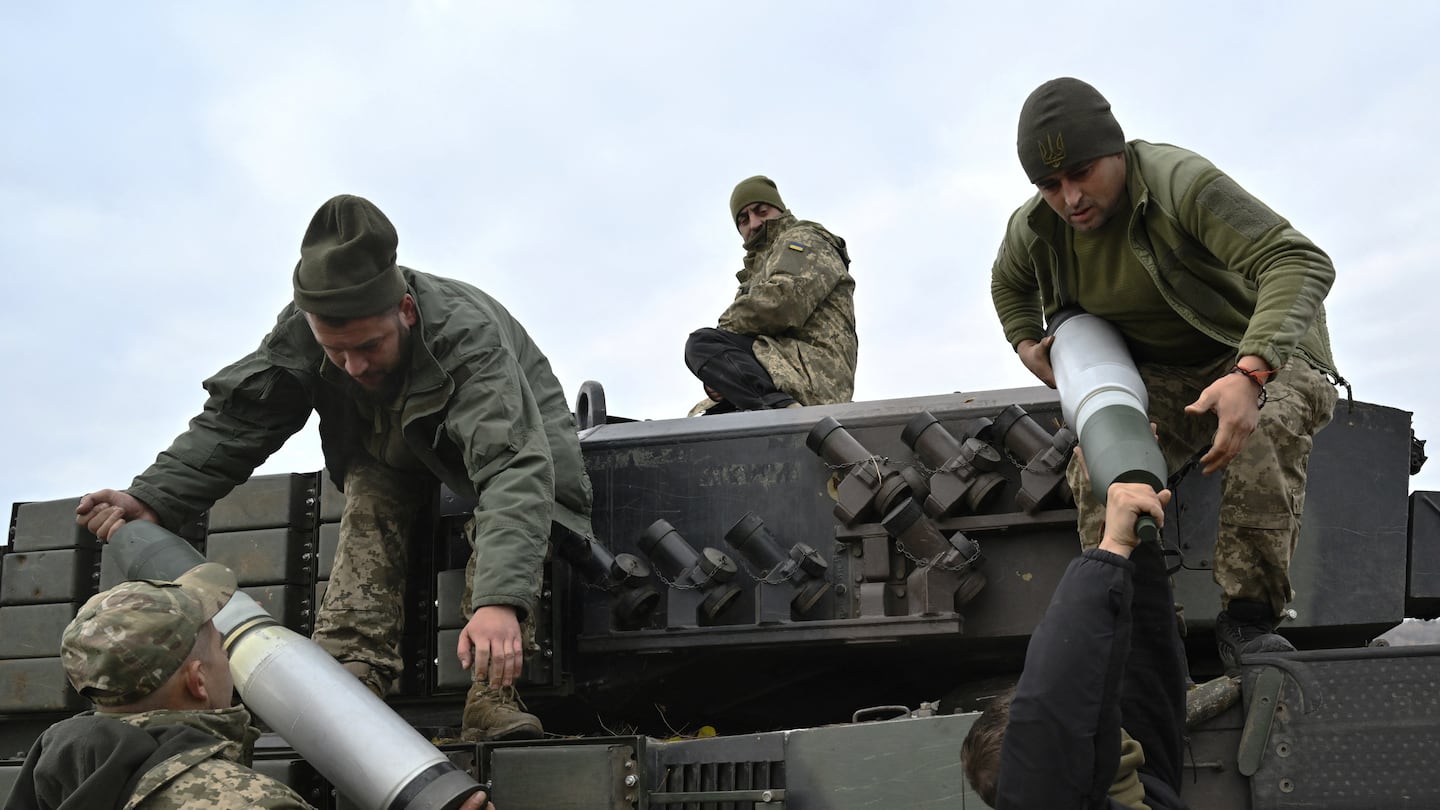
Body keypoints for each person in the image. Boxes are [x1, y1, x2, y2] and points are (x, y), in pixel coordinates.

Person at [75, 194, 596, 742]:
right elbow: (240, 420)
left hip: (521, 442)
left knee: (514, 515)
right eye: (336, 352)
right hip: (392, 447)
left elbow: (512, 468)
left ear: (406, 312)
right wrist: (153, 498)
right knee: (370, 493)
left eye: (369, 346)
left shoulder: (466, 337)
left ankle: (493, 697)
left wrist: (498, 602)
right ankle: (352, 679)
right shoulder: (302, 332)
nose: (354, 366)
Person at [990, 77, 1343, 672]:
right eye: (1050, 185)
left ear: (1116, 150)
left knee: (1267, 427)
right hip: (1166, 371)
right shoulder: (1036, 227)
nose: (1070, 197)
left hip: (1263, 350)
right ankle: (1141, 629)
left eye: (1082, 173)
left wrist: (1251, 372)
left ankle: (1250, 621)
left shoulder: (1178, 182)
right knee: (1096, 463)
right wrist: (1026, 341)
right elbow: (1007, 283)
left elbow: (1299, 259)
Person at [961, 483, 1186, 809]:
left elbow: (1146, 675)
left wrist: (1134, 539)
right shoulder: (1047, 793)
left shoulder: (1149, 793)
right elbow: (1049, 713)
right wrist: (1112, 549)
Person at [684, 175, 858, 415]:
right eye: (743, 220)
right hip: (782, 368)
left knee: (701, 344)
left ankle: (781, 410)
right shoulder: (758, 269)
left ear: (780, 209)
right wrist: (719, 378)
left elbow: (783, 302)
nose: (754, 223)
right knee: (708, 420)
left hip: (812, 376)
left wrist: (723, 332)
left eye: (761, 211)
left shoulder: (803, 239)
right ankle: (771, 405)